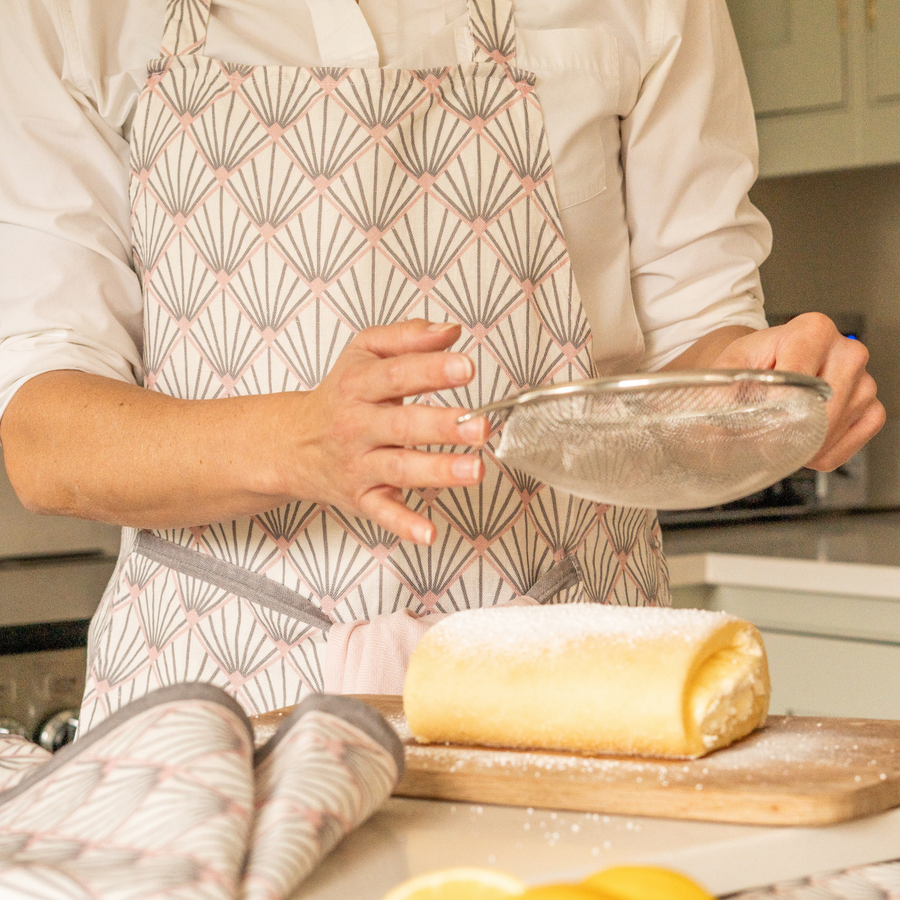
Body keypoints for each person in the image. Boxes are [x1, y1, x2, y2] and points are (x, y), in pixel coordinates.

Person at [0, 0, 883, 733]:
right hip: (226, 709)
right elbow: (47, 438)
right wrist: (299, 442)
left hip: (585, 685)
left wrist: (762, 392)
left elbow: (699, 340)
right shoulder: (69, 13)